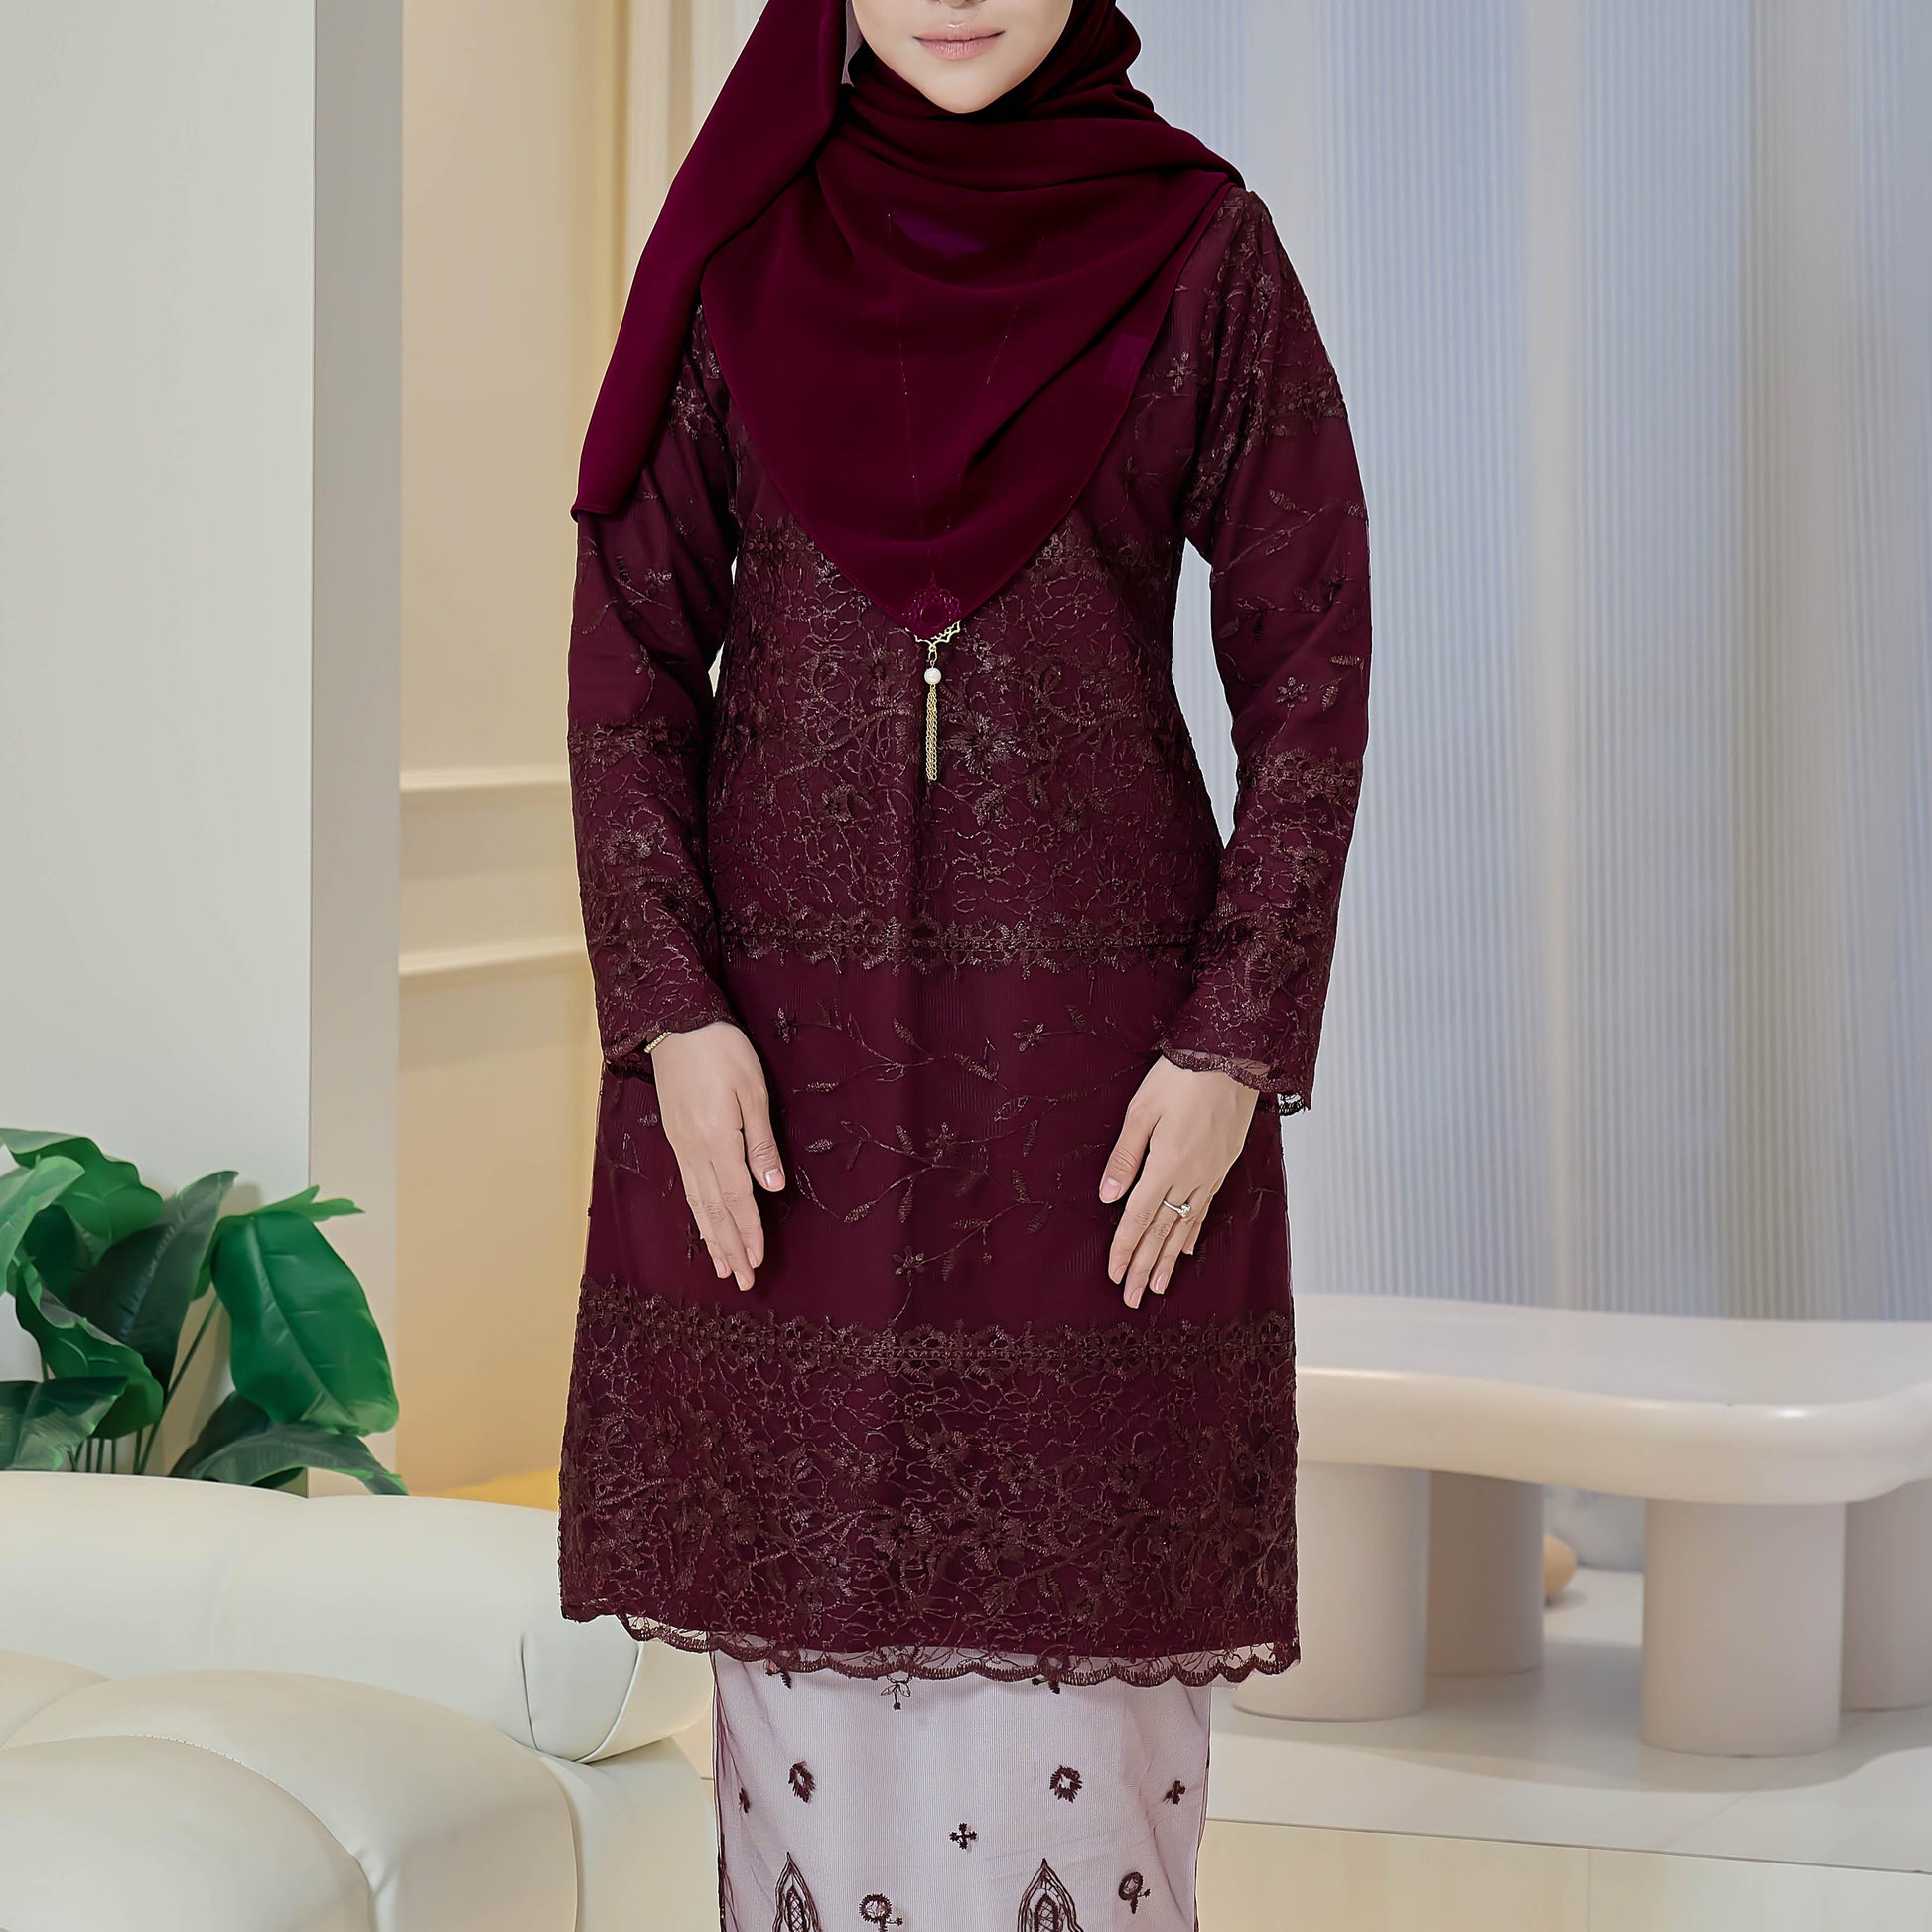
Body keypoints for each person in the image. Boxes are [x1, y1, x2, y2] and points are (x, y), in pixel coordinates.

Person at [556, 1, 1371, 1926]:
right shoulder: (742, 251)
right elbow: (628, 665)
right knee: (808, 1665)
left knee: (1082, 1664)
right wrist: (669, 1011)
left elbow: (1312, 668)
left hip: (1106, 1086)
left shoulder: (1196, 247)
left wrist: (1231, 1041)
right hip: (776, 1073)